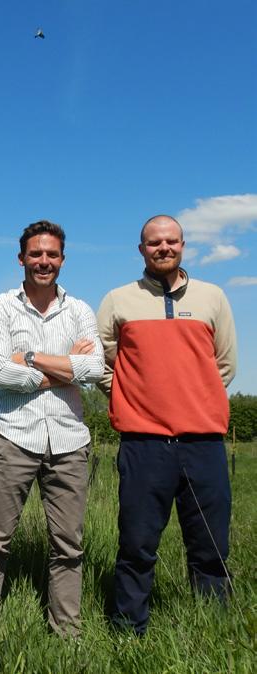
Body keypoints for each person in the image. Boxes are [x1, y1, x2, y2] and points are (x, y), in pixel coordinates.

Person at [96, 214, 237, 635]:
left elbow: (224, 365)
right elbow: (101, 363)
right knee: (136, 545)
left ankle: (214, 632)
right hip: (144, 443)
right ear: (141, 249)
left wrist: (195, 397)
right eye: (154, 242)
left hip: (204, 442)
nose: (164, 248)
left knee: (211, 547)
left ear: (183, 245)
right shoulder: (119, 300)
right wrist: (128, 394)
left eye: (171, 241)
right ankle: (128, 633)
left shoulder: (213, 298)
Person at [0, 220, 105, 636]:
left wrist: (29, 357)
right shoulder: (0, 307)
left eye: (51, 254)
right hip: (14, 436)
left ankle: (66, 633)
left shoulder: (79, 310)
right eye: (36, 254)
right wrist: (65, 367)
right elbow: (2, 374)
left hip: (69, 440)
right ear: (21, 259)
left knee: (69, 546)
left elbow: (95, 368)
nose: (43, 261)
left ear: (62, 259)